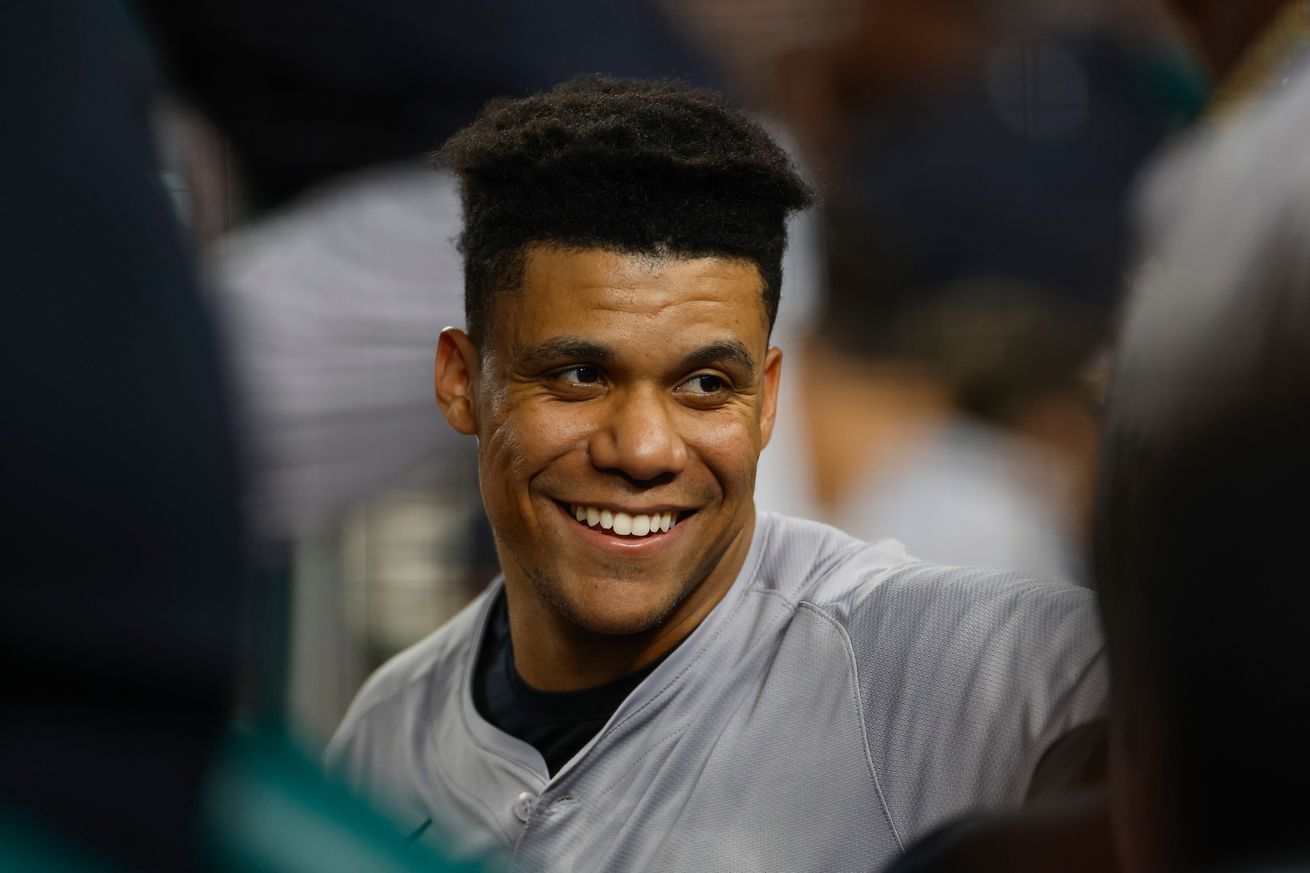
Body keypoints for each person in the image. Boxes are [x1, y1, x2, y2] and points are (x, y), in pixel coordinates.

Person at [326, 76, 1106, 873]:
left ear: (767, 401)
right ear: (462, 380)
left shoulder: (929, 665)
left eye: (705, 385)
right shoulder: (389, 728)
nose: (643, 449)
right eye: (579, 375)